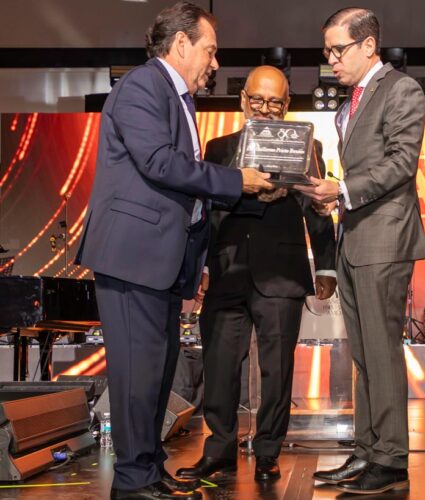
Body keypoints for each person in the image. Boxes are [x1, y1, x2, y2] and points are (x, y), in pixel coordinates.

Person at [75, 3, 272, 499]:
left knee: (157, 373)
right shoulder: (143, 87)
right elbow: (160, 163)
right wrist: (237, 181)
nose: (215, 63)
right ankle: (131, 480)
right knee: (136, 374)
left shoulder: (175, 96)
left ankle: (147, 468)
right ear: (181, 43)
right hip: (132, 258)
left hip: (159, 262)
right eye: (210, 50)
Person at [176, 65, 337, 482]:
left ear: (287, 105)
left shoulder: (308, 146)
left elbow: (318, 210)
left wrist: (327, 264)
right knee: (219, 366)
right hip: (226, 270)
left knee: (277, 370)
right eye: (258, 100)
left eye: (275, 102)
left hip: (281, 272)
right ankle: (219, 451)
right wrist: (200, 265)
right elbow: (205, 213)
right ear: (244, 100)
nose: (265, 109)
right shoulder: (218, 148)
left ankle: (268, 451)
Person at [295, 8, 425, 495]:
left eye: (338, 49)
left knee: (381, 352)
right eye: (327, 51)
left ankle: (390, 461)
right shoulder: (351, 100)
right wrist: (330, 193)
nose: (331, 59)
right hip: (355, 239)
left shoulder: (402, 90)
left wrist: (343, 190)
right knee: (365, 357)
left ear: (369, 45)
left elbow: (401, 163)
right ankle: (369, 450)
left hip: (384, 240)